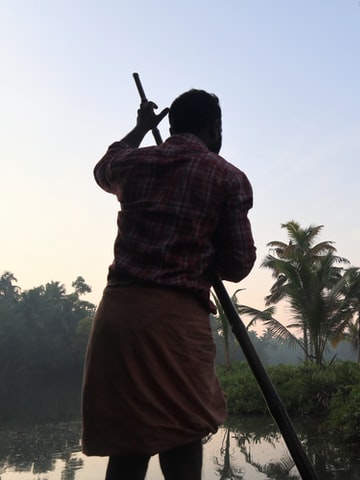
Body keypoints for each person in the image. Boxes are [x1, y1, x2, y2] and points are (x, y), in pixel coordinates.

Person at [81, 89, 256, 480]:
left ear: (170, 126)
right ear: (215, 127)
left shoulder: (134, 162)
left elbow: (103, 167)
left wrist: (141, 128)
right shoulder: (227, 177)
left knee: (128, 446)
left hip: (119, 319)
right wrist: (203, 247)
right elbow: (239, 264)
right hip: (175, 323)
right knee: (182, 437)